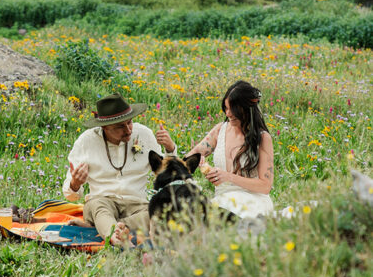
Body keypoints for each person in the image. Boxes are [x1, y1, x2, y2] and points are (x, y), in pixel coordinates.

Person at [63, 93, 176, 246]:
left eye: (129, 122)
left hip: (137, 205)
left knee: (159, 213)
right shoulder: (86, 142)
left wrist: (170, 149)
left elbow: (166, 174)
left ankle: (106, 227)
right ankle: (116, 237)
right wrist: (75, 184)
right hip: (102, 203)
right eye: (120, 127)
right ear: (104, 127)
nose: (128, 130)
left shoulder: (144, 134)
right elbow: (70, 196)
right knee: (99, 206)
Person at [187, 80, 274, 219]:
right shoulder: (220, 130)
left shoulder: (263, 138)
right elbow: (190, 155)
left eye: (233, 109)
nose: (228, 114)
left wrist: (228, 177)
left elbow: (265, 186)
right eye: (226, 108)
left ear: (246, 108)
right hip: (223, 200)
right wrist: (197, 160)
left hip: (253, 201)